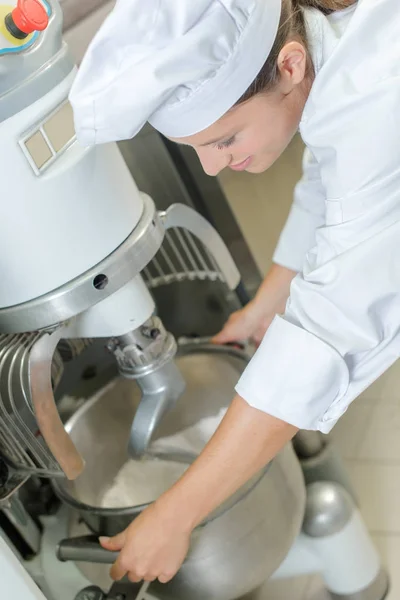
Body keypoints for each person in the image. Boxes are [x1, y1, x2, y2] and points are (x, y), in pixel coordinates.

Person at [70, 0, 400, 585]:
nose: (214, 167)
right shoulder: (339, 52)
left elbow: (333, 322)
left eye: (224, 139)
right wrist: (268, 302)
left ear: (290, 66)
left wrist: (176, 513)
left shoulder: (376, 98)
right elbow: (329, 181)